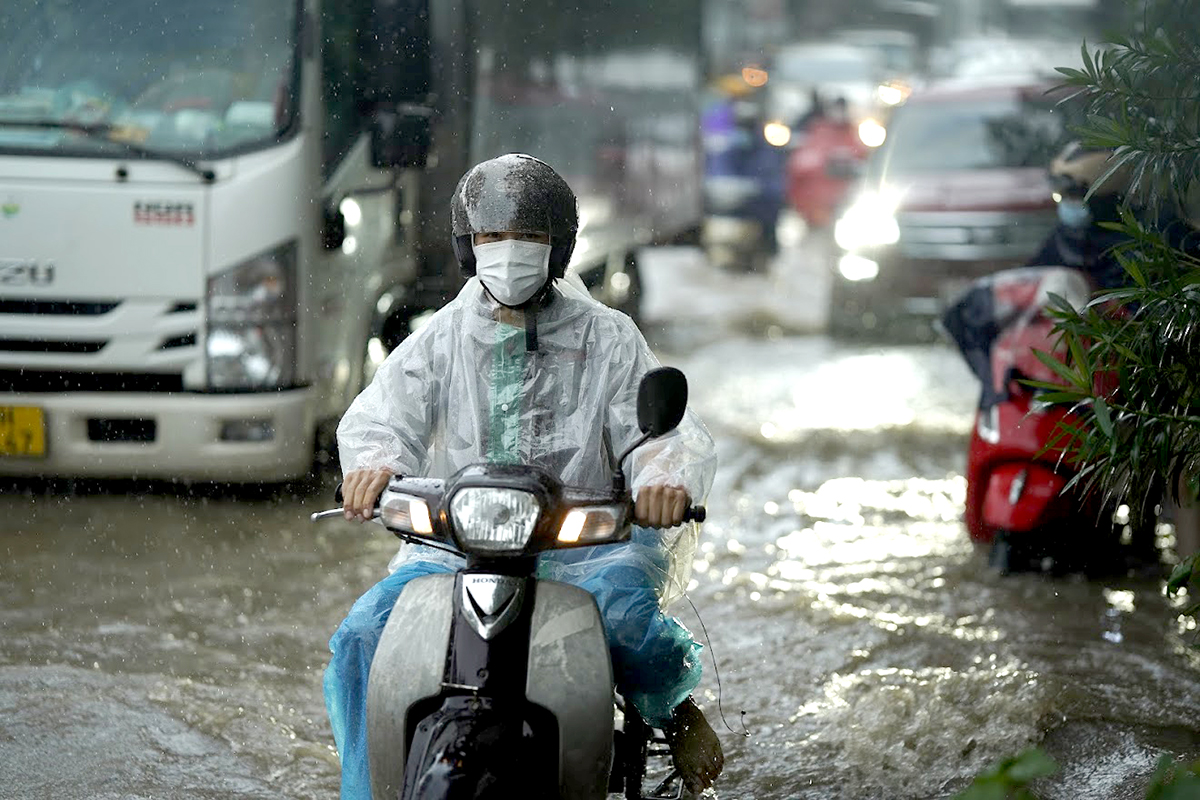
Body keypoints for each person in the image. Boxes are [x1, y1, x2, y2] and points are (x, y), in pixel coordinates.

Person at [325, 153, 725, 799]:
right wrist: (372, 465)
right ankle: (368, 789)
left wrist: (662, 480)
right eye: (490, 238)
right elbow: (380, 417)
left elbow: (660, 433)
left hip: (587, 541)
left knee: (628, 624)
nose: (509, 253)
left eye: (530, 239)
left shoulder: (609, 336)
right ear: (467, 246)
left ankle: (670, 712)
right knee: (361, 637)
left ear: (560, 247)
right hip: (459, 539)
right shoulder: (442, 336)